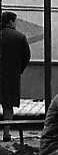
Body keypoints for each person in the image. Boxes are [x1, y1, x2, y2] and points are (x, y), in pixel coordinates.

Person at [1, 12, 31, 142]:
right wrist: (19, 70)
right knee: (8, 105)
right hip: (11, 75)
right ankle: (6, 133)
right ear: (12, 22)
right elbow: (26, 57)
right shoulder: (20, 37)